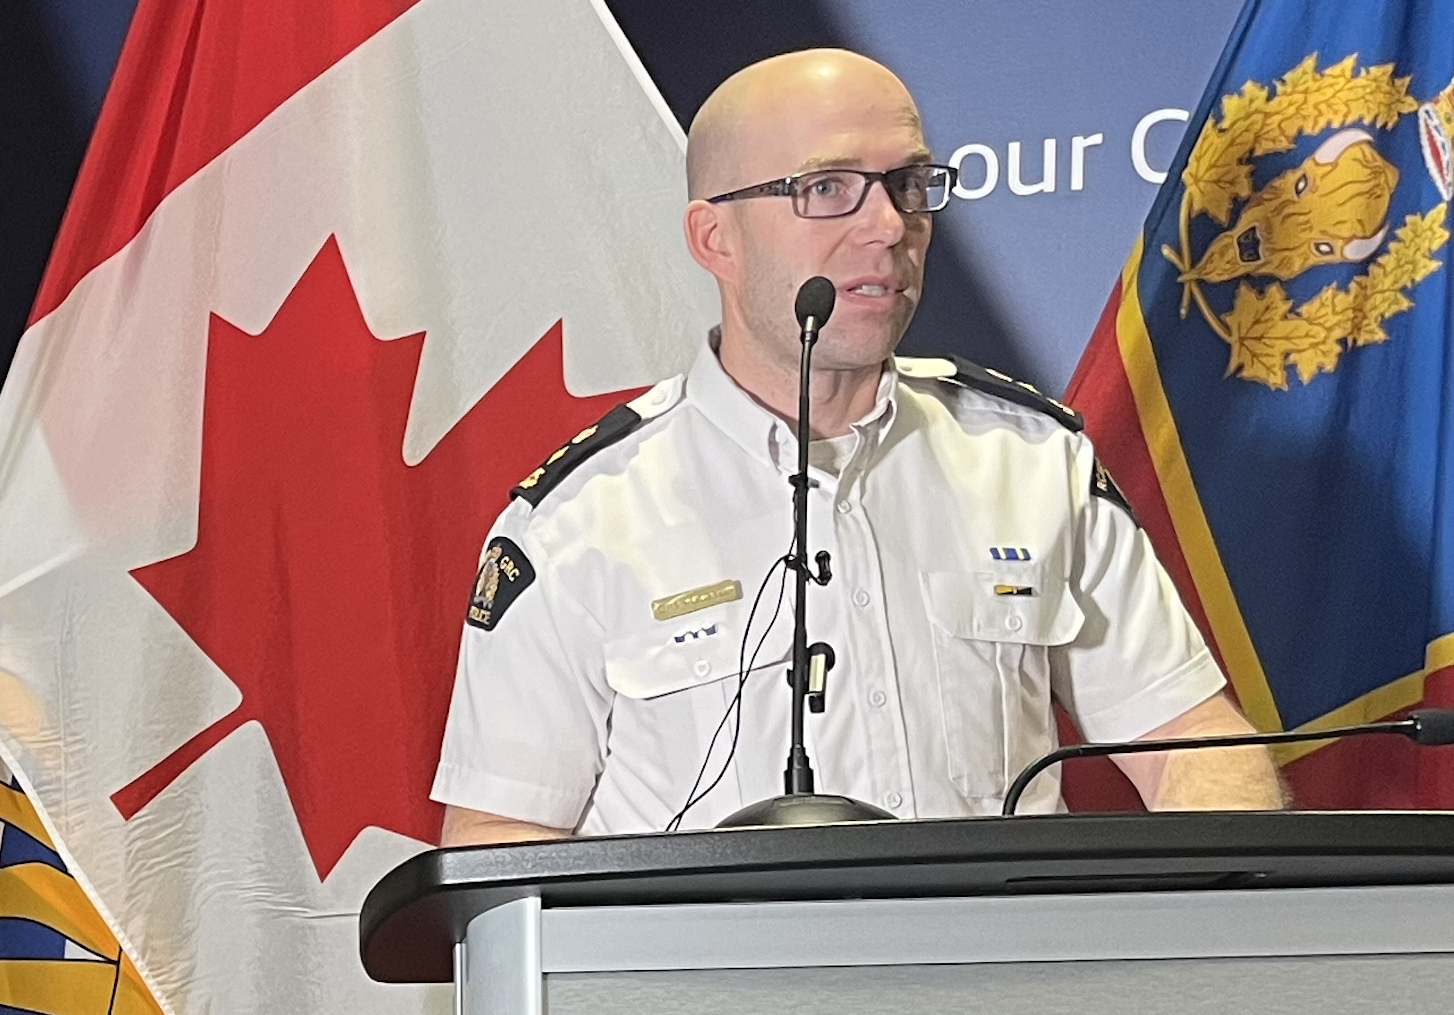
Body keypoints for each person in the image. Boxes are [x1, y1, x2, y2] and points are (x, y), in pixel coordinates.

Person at [432, 49, 1283, 845]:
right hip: (709, 999)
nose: (887, 226)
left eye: (908, 184)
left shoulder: (1028, 462)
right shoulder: (577, 522)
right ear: (713, 239)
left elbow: (1190, 742)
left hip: (1005, 989)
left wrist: (1216, 906)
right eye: (828, 188)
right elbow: (501, 850)